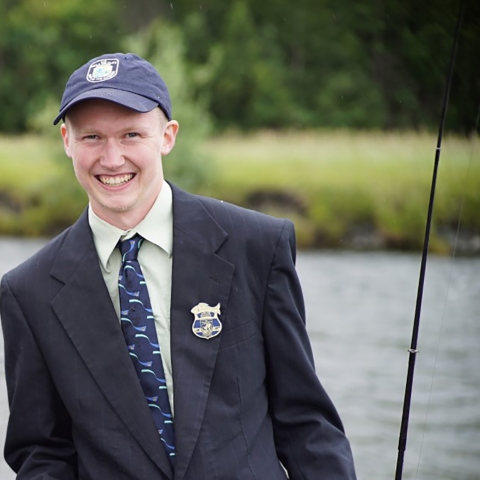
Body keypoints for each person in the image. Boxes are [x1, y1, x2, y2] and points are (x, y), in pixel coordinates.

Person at [0, 52, 356, 480]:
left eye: (131, 134)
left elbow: (306, 425)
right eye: (92, 137)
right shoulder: (28, 291)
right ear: (66, 142)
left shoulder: (257, 246)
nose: (112, 159)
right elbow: (42, 452)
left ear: (167, 136)